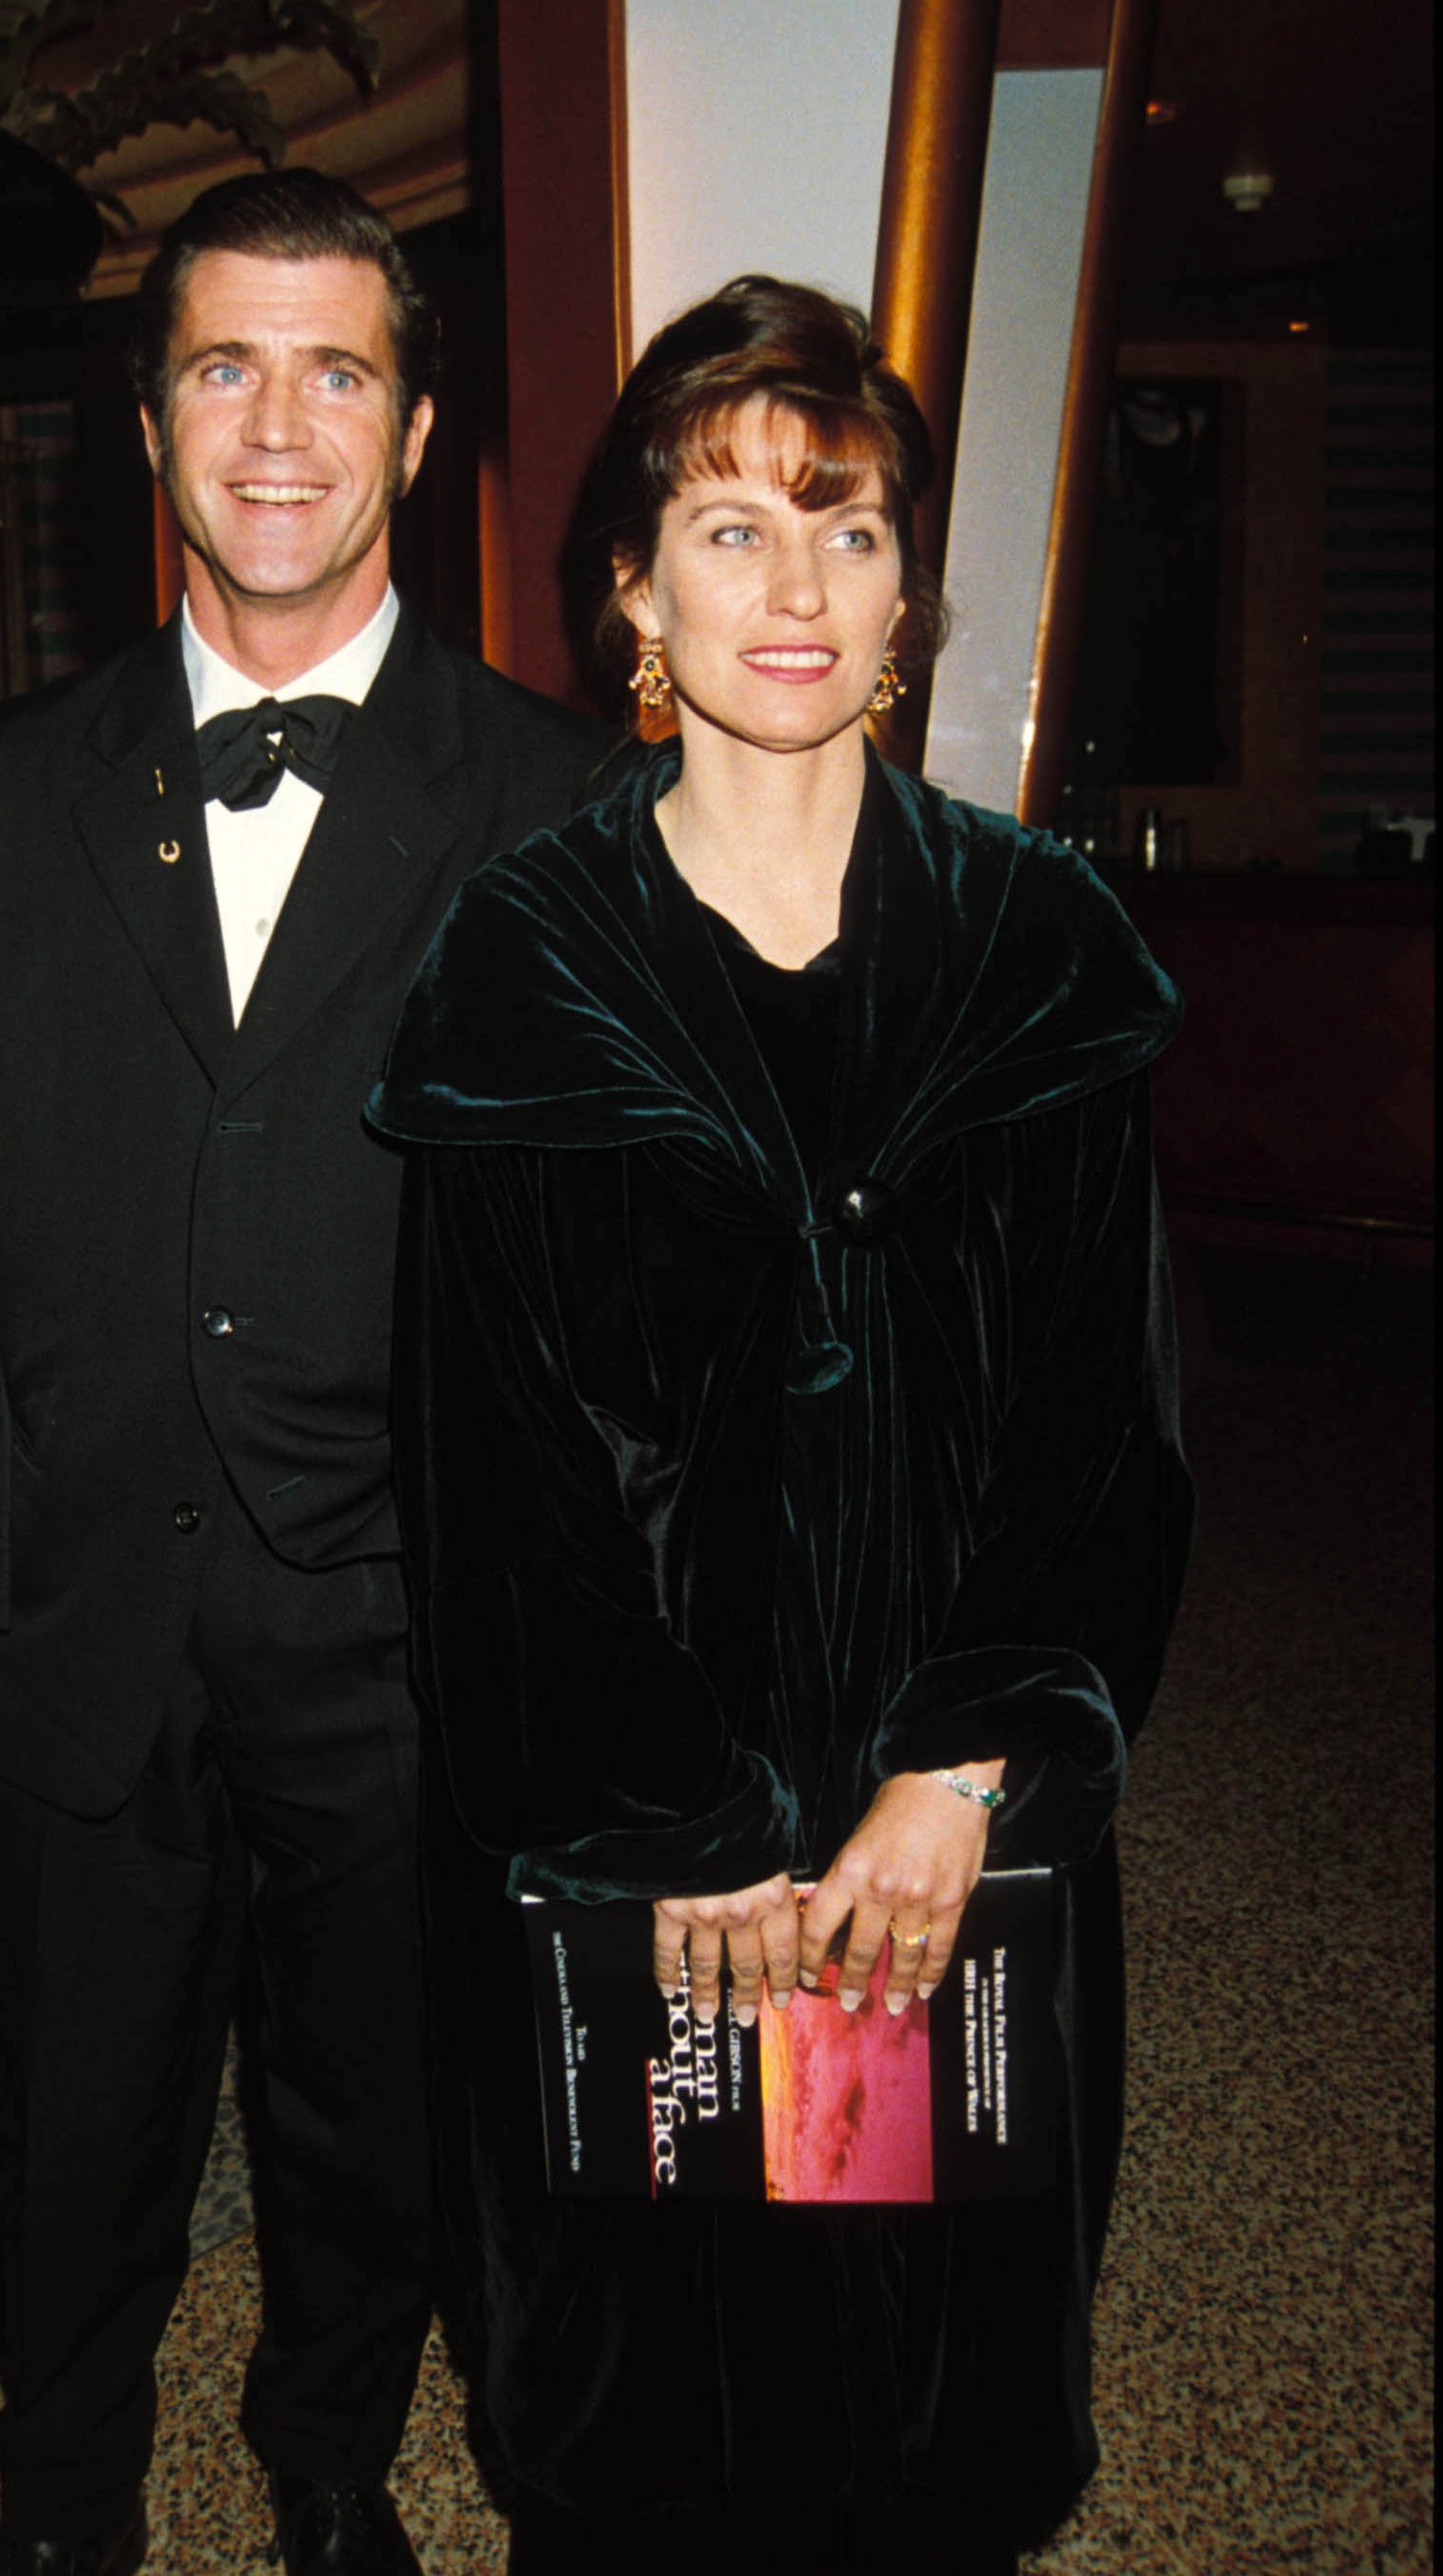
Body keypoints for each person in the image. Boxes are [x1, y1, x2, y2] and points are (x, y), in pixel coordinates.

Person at [370, 277, 1195, 2576]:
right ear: (630, 582)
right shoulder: (524, 965)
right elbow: (494, 1473)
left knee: (935, 2381)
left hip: (948, 1820)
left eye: (843, 528)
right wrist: (687, 1825)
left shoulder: (1033, 946)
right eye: (727, 529)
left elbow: (1100, 1422)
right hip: (654, 1824)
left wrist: (959, 1766)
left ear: (912, 582)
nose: (795, 588)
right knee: (666, 2404)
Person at [0, 169, 608, 2576]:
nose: (281, 426)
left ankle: (329, 2453)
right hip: (72, 1596)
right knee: (63, 2114)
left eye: (339, 369)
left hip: (399, 1616)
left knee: (376, 2113)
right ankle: (61, 2496)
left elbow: (604, 1274)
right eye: (223, 367)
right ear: (145, 428)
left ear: (420, 423)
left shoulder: (566, 803)